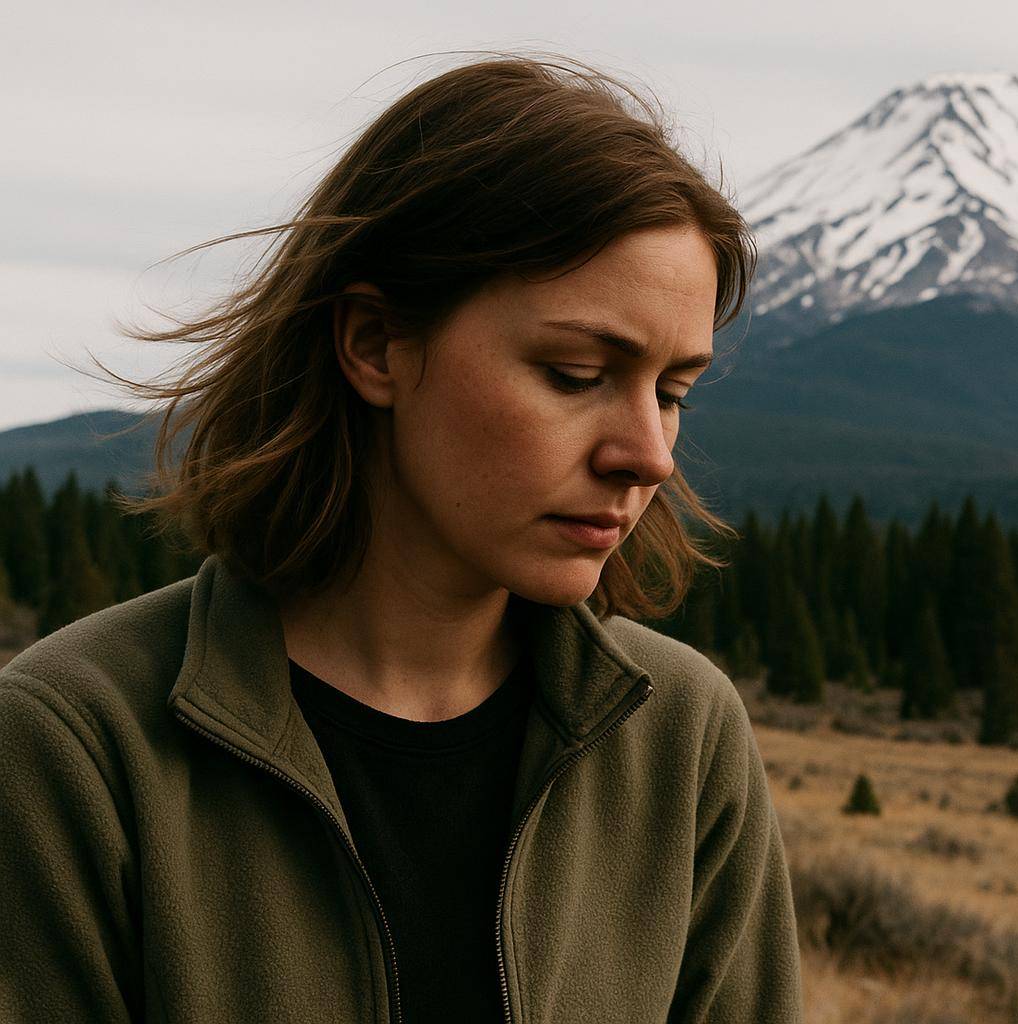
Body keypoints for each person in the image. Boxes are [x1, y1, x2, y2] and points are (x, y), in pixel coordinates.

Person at [0, 52, 804, 1023]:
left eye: (673, 392)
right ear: (374, 344)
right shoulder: (76, 744)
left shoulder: (682, 738)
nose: (650, 456)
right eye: (576, 373)